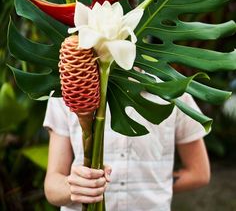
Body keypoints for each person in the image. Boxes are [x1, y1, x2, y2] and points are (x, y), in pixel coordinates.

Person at [43, 90, 210, 211]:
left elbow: (199, 173)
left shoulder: (174, 92)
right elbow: (52, 187)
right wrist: (73, 187)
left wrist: (153, 182)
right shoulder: (68, 90)